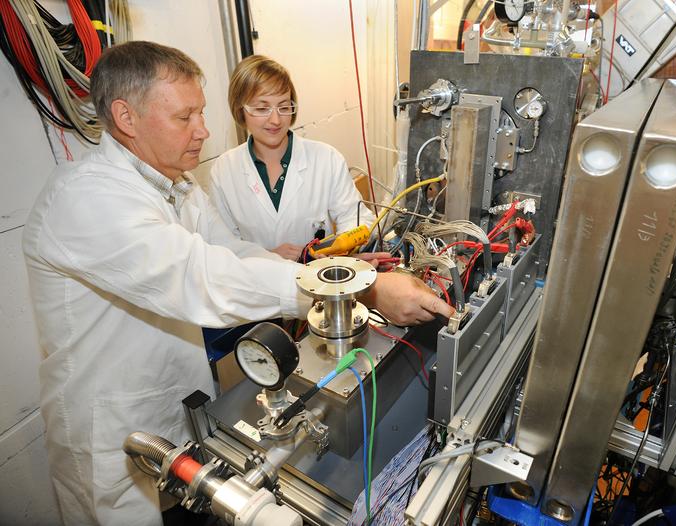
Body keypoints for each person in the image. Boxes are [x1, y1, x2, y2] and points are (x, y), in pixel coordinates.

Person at [22, 41, 452, 526]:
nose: (203, 131)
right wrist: (359, 290)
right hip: (110, 435)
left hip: (180, 410)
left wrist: (341, 275)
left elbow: (232, 251)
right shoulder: (87, 200)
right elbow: (200, 276)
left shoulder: (177, 186)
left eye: (201, 114)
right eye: (185, 117)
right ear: (126, 116)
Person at [209, 55, 374, 262]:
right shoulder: (224, 170)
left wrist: (333, 250)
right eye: (262, 108)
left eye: (284, 107)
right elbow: (221, 248)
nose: (276, 120)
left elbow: (359, 220)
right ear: (240, 110)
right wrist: (267, 257)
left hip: (319, 283)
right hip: (257, 286)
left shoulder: (327, 159)